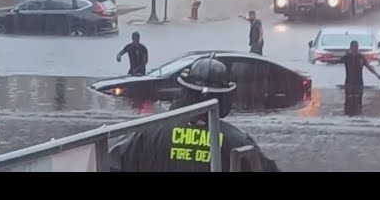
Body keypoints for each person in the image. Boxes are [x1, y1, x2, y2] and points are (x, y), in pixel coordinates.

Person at [109, 55, 279, 172]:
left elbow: (108, 163)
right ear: (224, 97)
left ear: (185, 91)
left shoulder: (147, 133)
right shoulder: (237, 141)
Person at [330, 41, 380, 116]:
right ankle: (348, 114)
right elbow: (336, 61)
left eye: (356, 47)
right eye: (353, 47)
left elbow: (369, 67)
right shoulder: (347, 57)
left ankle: (358, 114)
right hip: (349, 83)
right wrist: (327, 60)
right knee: (348, 101)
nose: (355, 49)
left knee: (358, 102)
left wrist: (377, 75)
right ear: (350, 48)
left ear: (358, 48)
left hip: (359, 83)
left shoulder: (361, 57)